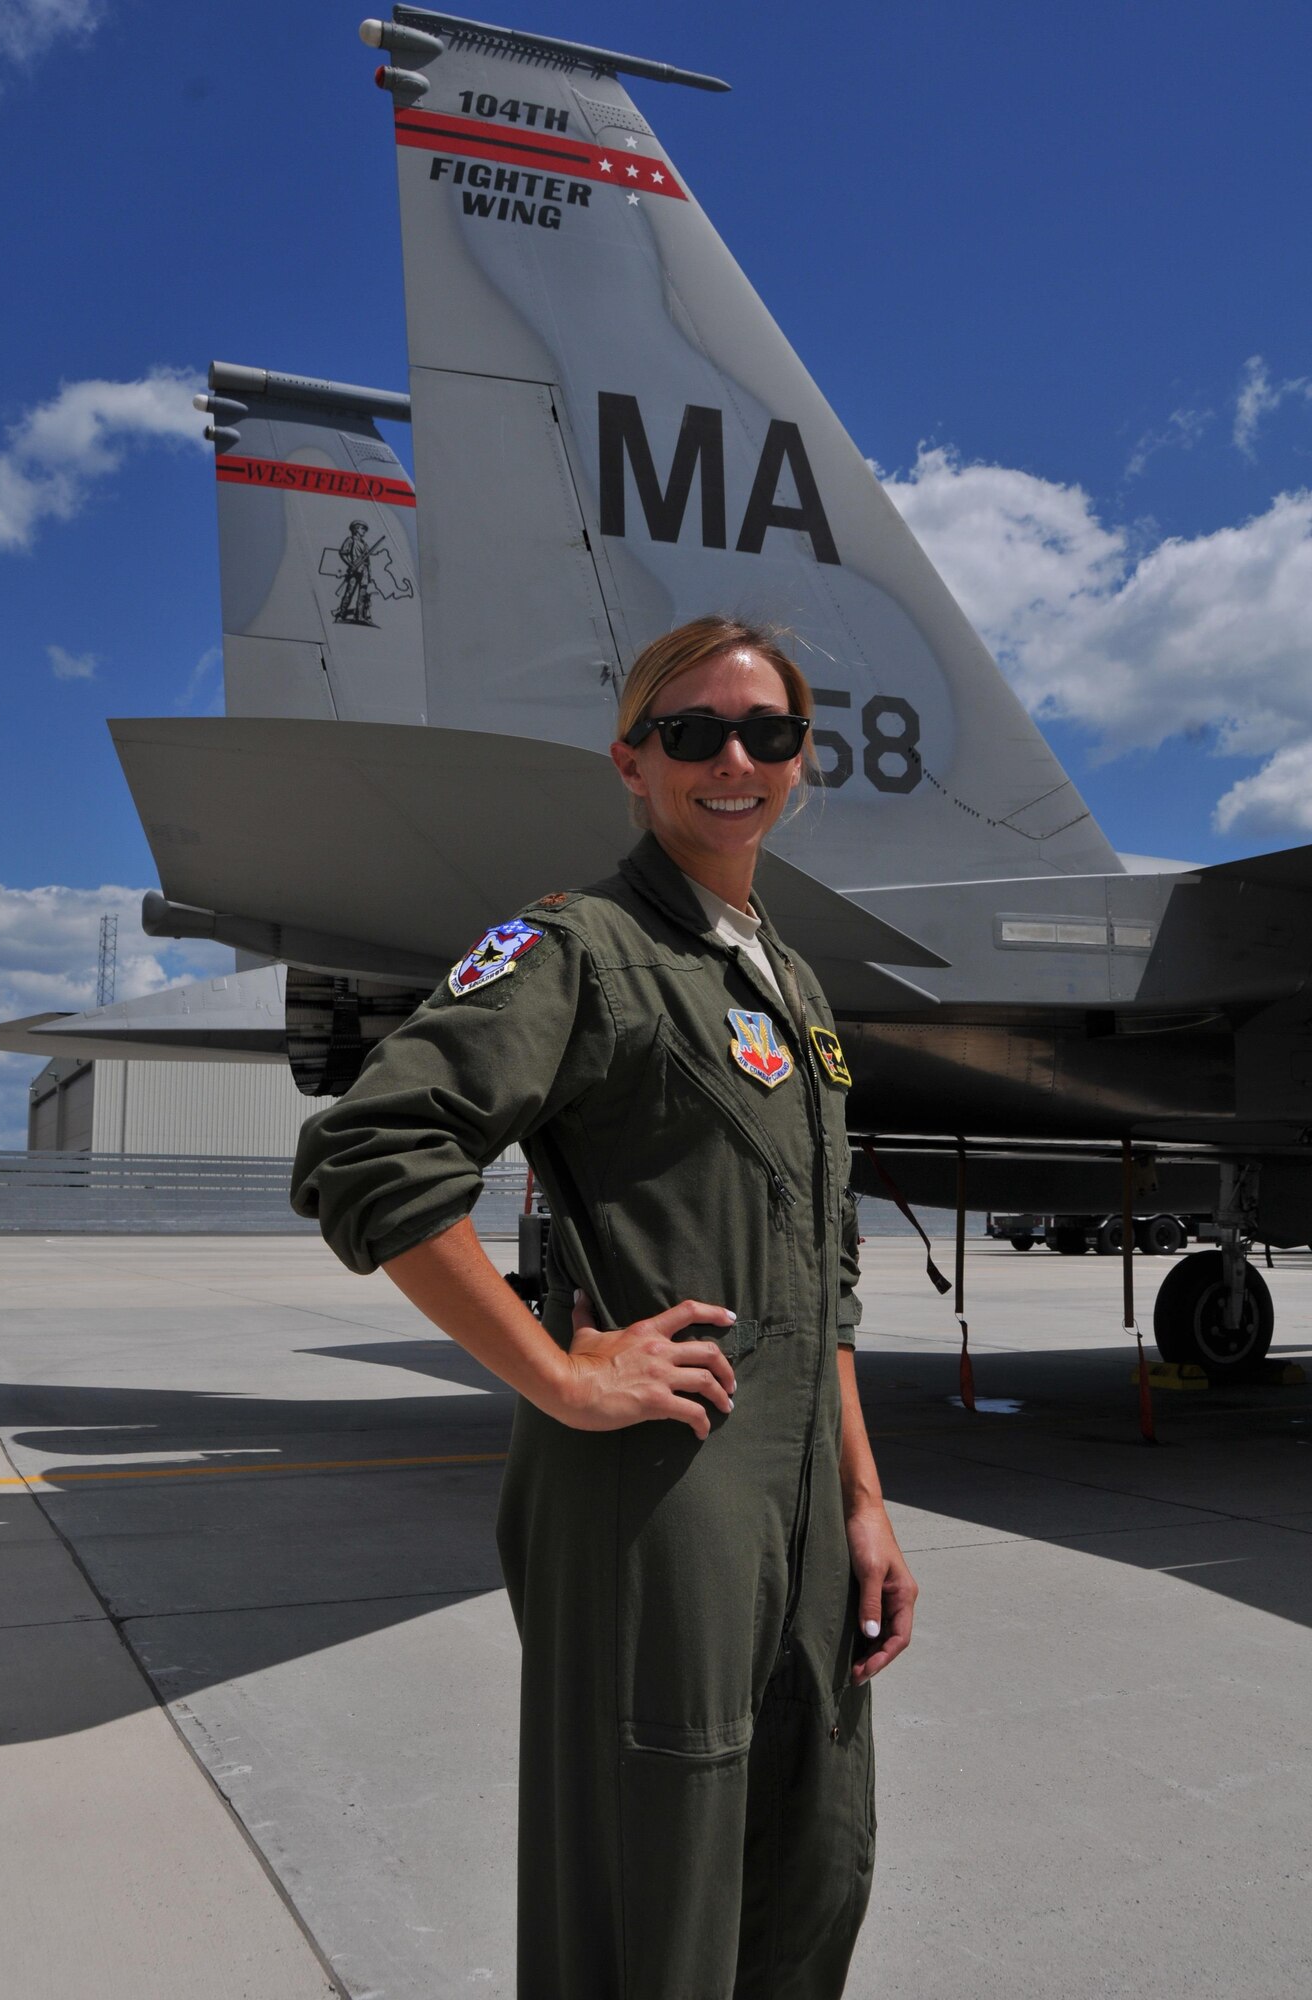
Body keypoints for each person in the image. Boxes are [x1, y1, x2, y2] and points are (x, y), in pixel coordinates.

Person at [291, 615, 919, 1999]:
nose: (733, 759)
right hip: (663, 1488)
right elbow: (373, 1153)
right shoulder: (577, 948)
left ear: (804, 760)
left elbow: (827, 1270)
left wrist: (863, 1500)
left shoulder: (788, 981)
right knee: (651, 1880)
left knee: (809, 1859)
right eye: (692, 733)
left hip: (804, 1488)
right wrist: (561, 1378)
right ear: (631, 763)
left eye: (768, 733)